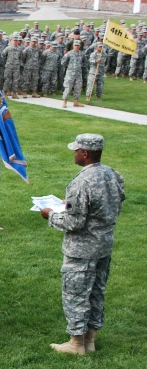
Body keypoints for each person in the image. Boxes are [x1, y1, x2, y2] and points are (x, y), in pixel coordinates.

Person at [40, 134, 124, 356]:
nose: (74, 153)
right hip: (104, 245)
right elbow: (115, 201)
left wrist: (50, 215)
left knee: (76, 294)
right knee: (96, 291)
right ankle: (91, 340)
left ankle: (76, 344)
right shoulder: (112, 174)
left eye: (76, 150)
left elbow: (74, 222)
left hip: (82, 249)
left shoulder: (81, 182)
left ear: (85, 153)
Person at [61, 40, 88, 108]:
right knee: (68, 87)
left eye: (78, 45)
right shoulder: (69, 53)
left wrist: (81, 66)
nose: (76, 47)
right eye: (75, 45)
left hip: (78, 73)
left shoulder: (82, 54)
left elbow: (85, 62)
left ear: (80, 46)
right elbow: (63, 62)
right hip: (70, 73)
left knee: (78, 87)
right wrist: (69, 67)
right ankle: (65, 101)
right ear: (73, 46)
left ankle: (76, 102)